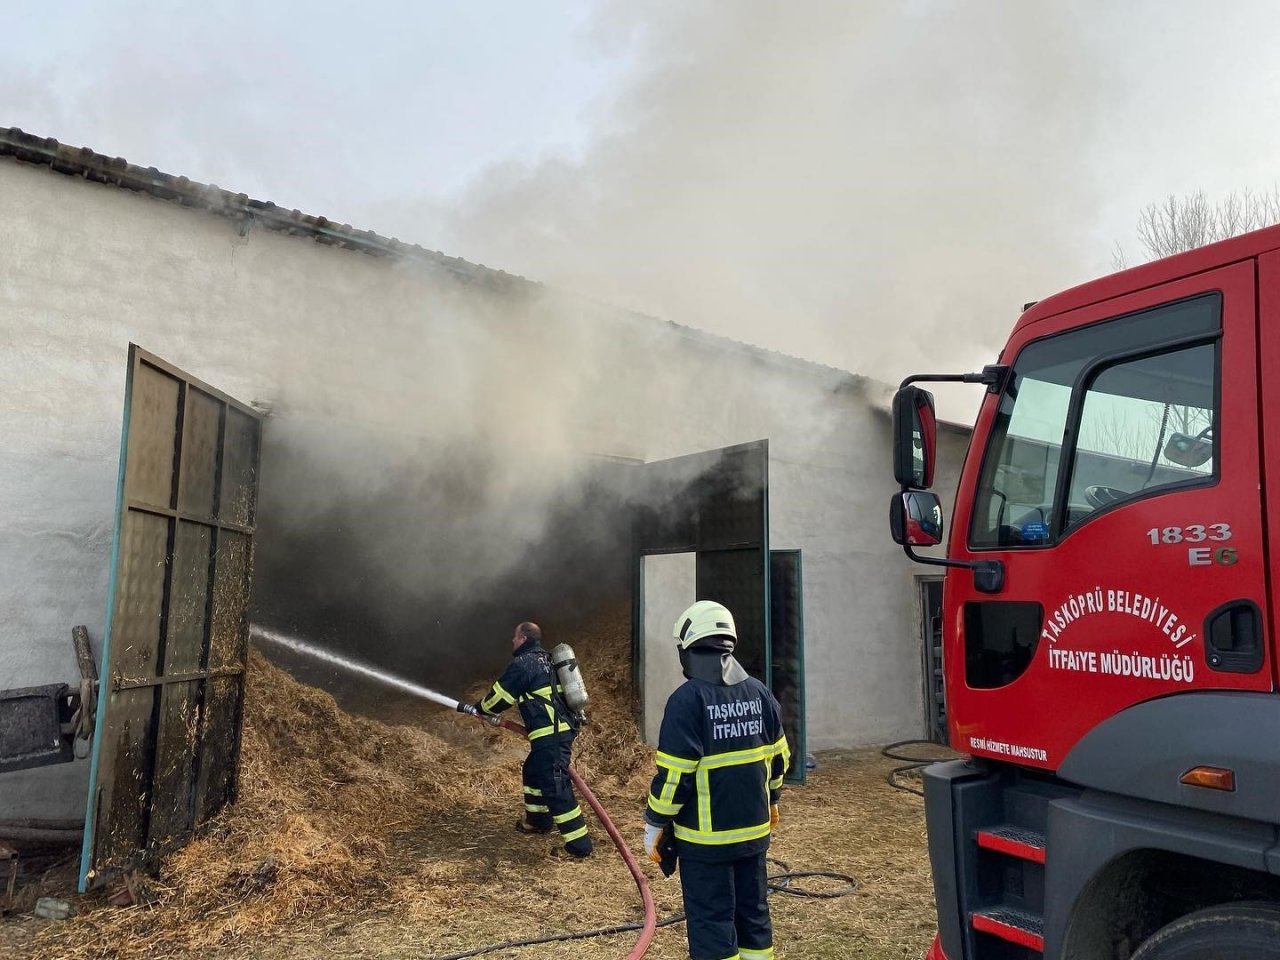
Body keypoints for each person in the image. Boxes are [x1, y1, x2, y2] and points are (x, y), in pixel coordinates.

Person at [642, 600, 789, 960]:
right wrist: (771, 801)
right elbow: (780, 758)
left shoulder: (687, 700)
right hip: (754, 833)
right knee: (753, 915)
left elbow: (675, 777)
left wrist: (655, 821)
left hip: (705, 841)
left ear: (690, 647)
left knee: (711, 922)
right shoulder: (758, 692)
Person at [475, 621, 592, 859]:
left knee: (555, 785)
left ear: (524, 639)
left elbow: (499, 697)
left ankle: (579, 847)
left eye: (515, 637)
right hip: (556, 731)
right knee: (533, 771)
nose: (512, 641)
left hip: (551, 733)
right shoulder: (547, 660)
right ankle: (538, 821)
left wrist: (482, 708)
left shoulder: (524, 664)